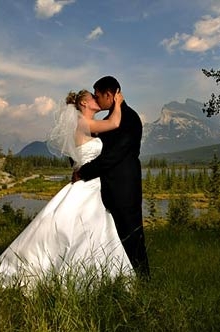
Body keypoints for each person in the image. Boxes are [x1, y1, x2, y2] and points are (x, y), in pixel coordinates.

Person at [0, 89, 134, 289]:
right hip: (87, 187)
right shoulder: (83, 123)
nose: (96, 99)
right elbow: (114, 123)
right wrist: (118, 102)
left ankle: (95, 274)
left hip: (92, 184)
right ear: (84, 104)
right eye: (91, 97)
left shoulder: (87, 127)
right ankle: (83, 276)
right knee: (85, 228)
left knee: (87, 229)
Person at [73, 76, 150, 279]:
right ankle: (115, 276)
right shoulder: (111, 119)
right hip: (108, 189)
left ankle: (142, 279)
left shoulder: (128, 119)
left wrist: (83, 172)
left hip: (124, 189)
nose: (97, 100)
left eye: (98, 96)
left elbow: (113, 156)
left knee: (131, 236)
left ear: (110, 94)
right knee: (111, 237)